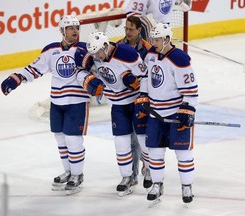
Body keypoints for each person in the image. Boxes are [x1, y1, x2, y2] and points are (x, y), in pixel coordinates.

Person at [0, 16, 104, 195]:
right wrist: (17, 77)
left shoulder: (84, 49)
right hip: (57, 101)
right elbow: (35, 68)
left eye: (76, 28)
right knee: (61, 138)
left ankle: (77, 175)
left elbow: (99, 69)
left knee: (73, 139)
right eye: (70, 28)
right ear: (62, 31)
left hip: (77, 101)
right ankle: (69, 171)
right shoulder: (51, 50)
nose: (75, 31)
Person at [75, 32, 150, 196]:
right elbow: (78, 68)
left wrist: (143, 94)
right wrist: (88, 80)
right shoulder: (94, 56)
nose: (96, 57)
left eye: (98, 53)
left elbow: (145, 75)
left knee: (143, 139)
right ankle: (127, 177)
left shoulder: (127, 54)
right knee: (121, 142)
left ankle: (151, 171)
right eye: (93, 54)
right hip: (117, 105)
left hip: (135, 102)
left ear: (105, 46)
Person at [135, 23, 198, 203]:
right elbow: (146, 77)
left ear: (167, 39)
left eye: (157, 39)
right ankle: (157, 184)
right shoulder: (151, 55)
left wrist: (188, 109)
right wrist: (143, 97)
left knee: (183, 153)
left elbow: (191, 89)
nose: (153, 42)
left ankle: (187, 187)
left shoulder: (179, 59)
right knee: (154, 151)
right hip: (155, 114)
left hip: (175, 114)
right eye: (153, 39)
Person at [117, 16, 152, 185]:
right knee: (129, 139)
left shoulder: (148, 49)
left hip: (141, 100)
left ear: (139, 30)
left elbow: (151, 74)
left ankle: (149, 170)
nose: (128, 32)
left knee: (142, 137)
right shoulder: (118, 47)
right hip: (124, 100)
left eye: (131, 29)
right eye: (126, 29)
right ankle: (132, 175)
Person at [123, 0, 192, 41]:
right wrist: (147, 22)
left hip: (165, 36)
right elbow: (132, 15)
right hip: (146, 39)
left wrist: (181, 3)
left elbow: (185, 6)